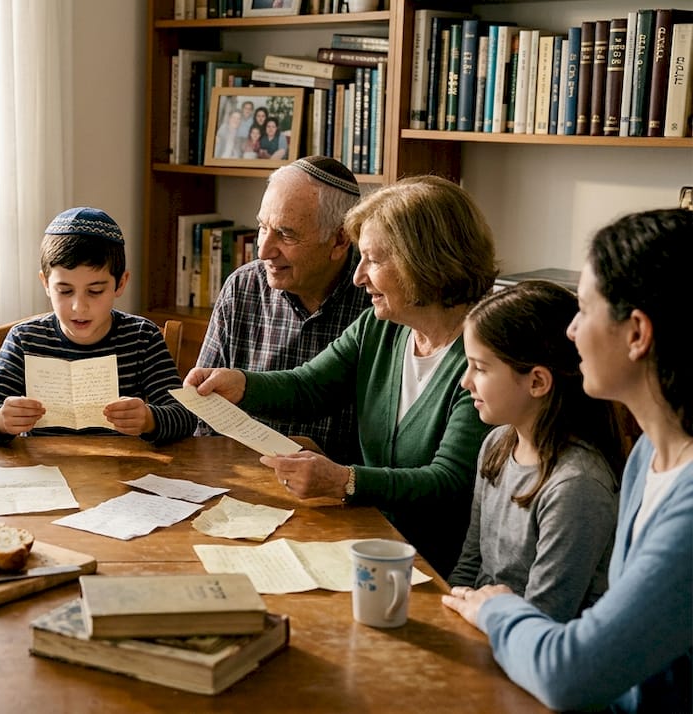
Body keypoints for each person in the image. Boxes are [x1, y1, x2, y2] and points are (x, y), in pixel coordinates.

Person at [443, 209, 693, 713]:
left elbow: (570, 673)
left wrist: (497, 609)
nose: (572, 330)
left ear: (637, 333)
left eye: (583, 309)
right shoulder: (648, 453)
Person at [185, 175, 497, 575]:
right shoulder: (380, 327)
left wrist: (347, 481)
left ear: (423, 262)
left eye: (375, 259)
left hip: (431, 567)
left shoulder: (484, 357)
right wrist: (242, 383)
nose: (358, 275)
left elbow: (448, 482)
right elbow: (310, 386)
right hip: (365, 543)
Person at [448, 281, 622, 623]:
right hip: (484, 623)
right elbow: (470, 564)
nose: (465, 381)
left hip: (527, 647)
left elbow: (547, 615)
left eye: (480, 368)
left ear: (537, 382)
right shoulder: (496, 444)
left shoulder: (577, 486)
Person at [0, 207, 196, 444]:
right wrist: (0, 420)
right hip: (46, 472)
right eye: (65, 291)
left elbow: (185, 417)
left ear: (120, 284)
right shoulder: (25, 339)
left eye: (95, 291)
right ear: (45, 283)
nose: (79, 307)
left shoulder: (142, 338)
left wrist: (150, 419)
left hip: (122, 471)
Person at [194, 156, 369, 464]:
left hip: (340, 495)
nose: (263, 251)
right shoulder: (243, 288)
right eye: (263, 227)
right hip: (243, 480)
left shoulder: (375, 300)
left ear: (340, 238)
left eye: (286, 234)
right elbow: (204, 422)